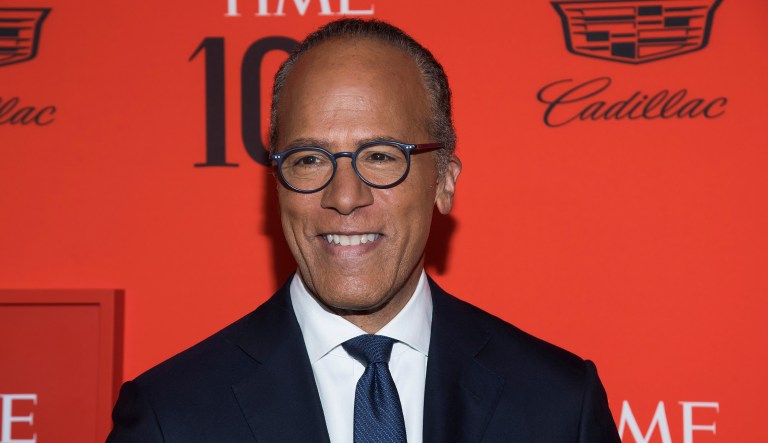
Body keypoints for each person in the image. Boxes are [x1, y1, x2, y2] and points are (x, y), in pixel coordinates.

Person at [107, 18, 621, 442]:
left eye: (380, 157)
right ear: (277, 185)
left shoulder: (557, 406)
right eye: (310, 160)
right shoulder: (169, 417)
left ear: (444, 180)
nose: (344, 196)